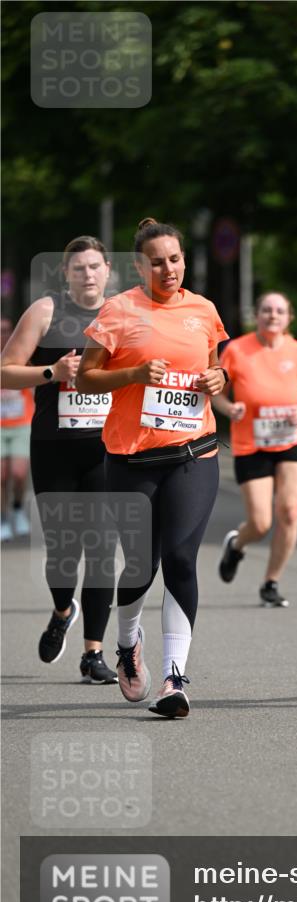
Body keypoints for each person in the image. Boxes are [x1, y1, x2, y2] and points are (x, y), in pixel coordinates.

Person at [76, 217, 227, 719]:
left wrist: (217, 379)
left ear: (185, 260)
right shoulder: (119, 311)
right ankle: (126, 644)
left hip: (193, 451)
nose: (169, 268)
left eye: (176, 259)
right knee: (141, 566)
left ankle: (174, 677)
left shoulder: (203, 310)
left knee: (181, 558)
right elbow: (88, 380)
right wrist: (136, 373)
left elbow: (214, 368)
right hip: (132, 458)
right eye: (157, 261)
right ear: (140, 266)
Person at [0, 237, 118, 684]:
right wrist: (52, 373)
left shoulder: (122, 314)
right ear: (66, 274)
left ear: (108, 270)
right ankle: (62, 609)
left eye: (94, 267)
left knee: (103, 551)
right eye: (78, 269)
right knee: (64, 552)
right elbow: (4, 370)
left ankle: (93, 653)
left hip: (106, 449)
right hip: (54, 448)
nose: (87, 275)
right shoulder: (46, 312)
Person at [215, 291, 297, 607]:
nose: (272, 315)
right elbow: (217, 395)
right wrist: (229, 408)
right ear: (257, 316)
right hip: (252, 443)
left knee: (290, 512)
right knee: (261, 523)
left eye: (279, 311)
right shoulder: (237, 350)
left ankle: (271, 581)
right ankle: (238, 544)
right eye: (266, 310)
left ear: (289, 317)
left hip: (292, 440)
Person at [1, 317, 34, 541]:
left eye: (6, 330)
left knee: (19, 474)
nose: (2, 334)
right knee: (1, 476)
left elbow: (36, 380)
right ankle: (3, 519)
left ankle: (18, 508)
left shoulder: (21, 354)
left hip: (22, 422)